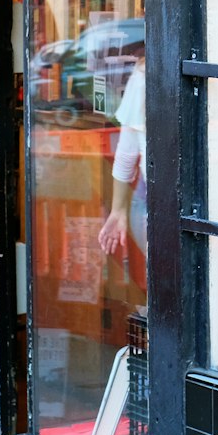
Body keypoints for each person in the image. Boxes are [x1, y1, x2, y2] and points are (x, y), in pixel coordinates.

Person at [97, 55, 147, 290]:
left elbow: (127, 154)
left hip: (150, 201)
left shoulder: (142, 74)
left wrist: (118, 211)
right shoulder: (142, 74)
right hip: (151, 202)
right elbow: (127, 155)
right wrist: (118, 211)